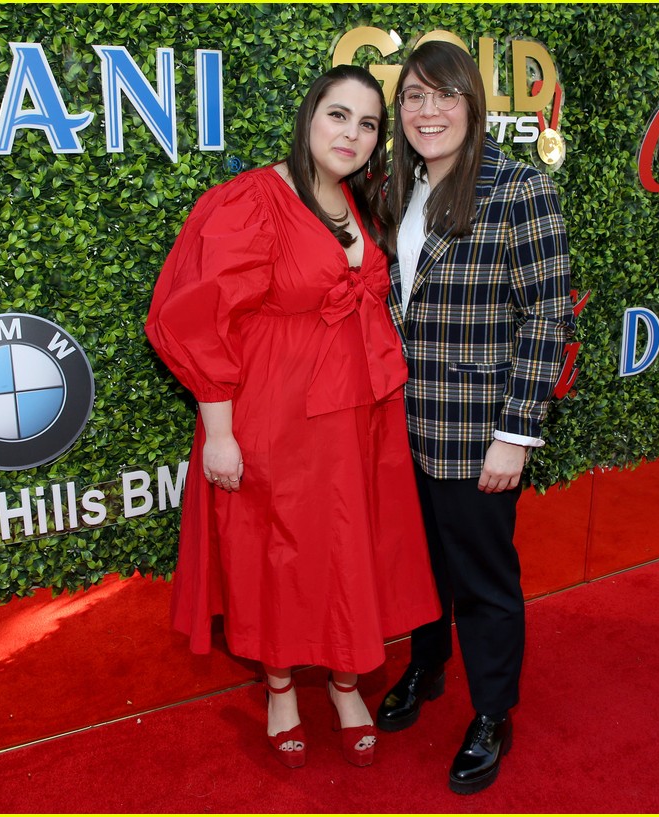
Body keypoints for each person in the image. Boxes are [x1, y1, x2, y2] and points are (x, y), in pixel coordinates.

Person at [145, 65, 440, 770]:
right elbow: (193, 317)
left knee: (349, 549)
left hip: (359, 417)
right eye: (339, 115)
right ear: (309, 115)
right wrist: (219, 432)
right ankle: (280, 689)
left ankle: (344, 684)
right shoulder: (248, 201)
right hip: (275, 416)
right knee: (275, 554)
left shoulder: (359, 202)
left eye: (368, 124)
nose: (353, 134)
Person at [376, 41, 574, 794]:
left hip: (477, 431)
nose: (429, 113)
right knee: (421, 565)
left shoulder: (518, 188)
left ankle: (493, 711)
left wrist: (515, 433)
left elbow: (547, 314)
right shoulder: (400, 187)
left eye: (444, 96)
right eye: (415, 99)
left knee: (485, 580)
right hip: (403, 425)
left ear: (473, 105)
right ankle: (427, 666)